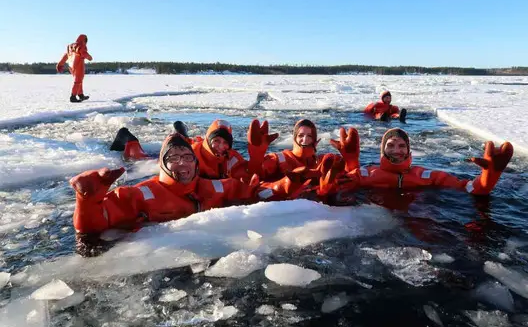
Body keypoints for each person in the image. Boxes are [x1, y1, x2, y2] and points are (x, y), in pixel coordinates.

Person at [72, 133, 338, 256]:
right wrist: (87, 200)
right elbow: (98, 222)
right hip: (161, 257)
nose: (183, 163)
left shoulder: (212, 187)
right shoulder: (143, 194)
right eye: (174, 158)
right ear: (163, 164)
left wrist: (290, 183)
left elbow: (256, 194)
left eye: (188, 157)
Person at [342, 127, 514, 196]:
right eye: (391, 145)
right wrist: (349, 161)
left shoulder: (426, 175)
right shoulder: (365, 173)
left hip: (417, 222)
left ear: (408, 150)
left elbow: (469, 188)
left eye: (402, 146)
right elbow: (337, 185)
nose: (396, 150)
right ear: (382, 150)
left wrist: (490, 175)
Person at [110, 120, 249, 180]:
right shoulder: (191, 156)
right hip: (168, 157)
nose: (220, 146)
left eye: (225, 143)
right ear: (209, 141)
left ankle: (180, 128)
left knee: (187, 140)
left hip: (195, 145)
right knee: (139, 157)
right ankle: (127, 137)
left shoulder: (231, 157)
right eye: (216, 141)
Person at [247, 118, 359, 183]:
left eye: (309, 136)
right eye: (300, 135)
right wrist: (257, 155)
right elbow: (254, 177)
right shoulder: (279, 158)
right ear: (294, 138)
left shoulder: (324, 161)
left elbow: (352, 178)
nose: (305, 139)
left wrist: (351, 160)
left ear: (315, 139)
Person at [56, 34, 93, 103]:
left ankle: (80, 95)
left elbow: (66, 55)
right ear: (84, 40)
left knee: (79, 81)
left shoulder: (71, 47)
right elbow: (83, 53)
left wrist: (60, 64)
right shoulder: (81, 46)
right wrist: (89, 57)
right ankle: (73, 97)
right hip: (79, 65)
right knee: (78, 81)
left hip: (71, 66)